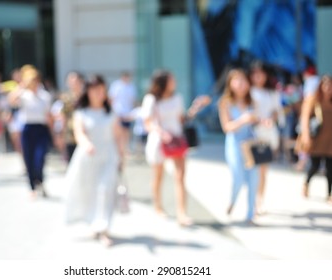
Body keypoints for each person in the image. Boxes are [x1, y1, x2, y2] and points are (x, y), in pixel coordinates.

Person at [141, 70, 211, 226]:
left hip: (177, 141)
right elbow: (147, 122)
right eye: (171, 80)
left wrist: (196, 107)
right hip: (159, 142)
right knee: (158, 176)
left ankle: (182, 213)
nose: (175, 82)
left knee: (180, 176)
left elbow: (182, 119)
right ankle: (158, 206)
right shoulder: (151, 99)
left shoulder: (177, 98)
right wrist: (161, 132)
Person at [65, 75, 124, 246]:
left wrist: (122, 157)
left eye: (101, 89)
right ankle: (94, 223)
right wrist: (86, 144)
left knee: (104, 190)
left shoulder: (110, 112)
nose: (99, 93)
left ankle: (103, 228)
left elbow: (118, 136)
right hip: (88, 157)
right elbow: (79, 133)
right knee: (90, 191)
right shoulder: (81, 113)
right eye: (95, 89)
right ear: (88, 91)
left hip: (109, 156)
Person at [218, 69, 259, 224]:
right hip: (234, 144)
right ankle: (232, 201)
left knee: (253, 178)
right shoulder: (225, 102)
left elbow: (256, 120)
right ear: (231, 83)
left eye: (244, 80)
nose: (241, 84)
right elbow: (226, 127)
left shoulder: (252, 101)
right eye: (237, 80)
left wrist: (259, 120)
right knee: (238, 177)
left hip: (250, 144)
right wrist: (243, 120)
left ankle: (250, 214)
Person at [9, 66, 52, 199]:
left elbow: (48, 115)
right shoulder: (24, 95)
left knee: (40, 158)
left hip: (41, 129)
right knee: (28, 158)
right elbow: (11, 100)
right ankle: (32, 187)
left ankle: (40, 180)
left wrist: (54, 134)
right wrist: (21, 86)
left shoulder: (45, 96)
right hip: (27, 129)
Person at [250, 62, 284, 214]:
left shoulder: (272, 93)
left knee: (263, 170)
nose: (258, 76)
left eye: (261, 73)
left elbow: (278, 111)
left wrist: (271, 118)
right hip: (252, 135)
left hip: (268, 135)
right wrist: (258, 120)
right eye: (255, 73)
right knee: (252, 171)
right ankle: (251, 200)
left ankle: (259, 201)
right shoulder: (248, 92)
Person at [300, 75, 332, 203]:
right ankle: (306, 184)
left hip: (330, 141)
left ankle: (329, 193)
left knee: (330, 168)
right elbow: (305, 118)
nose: (328, 88)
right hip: (317, 140)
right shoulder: (313, 100)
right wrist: (305, 135)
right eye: (326, 85)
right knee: (314, 165)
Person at [53, 71, 85, 162]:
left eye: (75, 80)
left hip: (86, 133)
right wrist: (60, 134)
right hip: (70, 135)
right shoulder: (66, 98)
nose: (72, 83)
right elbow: (63, 117)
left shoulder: (86, 96)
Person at [109, 72, 137, 153]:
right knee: (118, 130)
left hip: (127, 112)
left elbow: (133, 100)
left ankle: (125, 147)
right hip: (118, 112)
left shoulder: (131, 87)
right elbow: (112, 98)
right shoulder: (116, 86)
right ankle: (118, 147)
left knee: (126, 131)